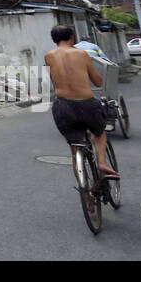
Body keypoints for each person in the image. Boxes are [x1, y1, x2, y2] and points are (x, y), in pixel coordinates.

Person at [45, 25, 118, 178]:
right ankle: (102, 163)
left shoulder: (49, 56)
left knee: (75, 147)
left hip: (63, 106)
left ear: (53, 40)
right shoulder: (82, 54)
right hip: (86, 104)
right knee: (99, 134)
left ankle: (85, 192)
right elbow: (97, 82)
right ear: (72, 37)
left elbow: (53, 79)